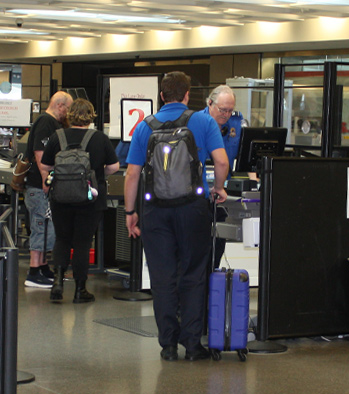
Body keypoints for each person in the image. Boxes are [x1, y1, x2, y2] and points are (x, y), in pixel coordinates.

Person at [124, 71, 229, 362]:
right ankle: (193, 346)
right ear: (187, 95)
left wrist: (131, 212)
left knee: (163, 278)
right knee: (193, 275)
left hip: (155, 211)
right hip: (193, 209)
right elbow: (221, 160)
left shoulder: (144, 126)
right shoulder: (203, 121)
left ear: (161, 96)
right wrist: (218, 188)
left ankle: (168, 346)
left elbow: (132, 174)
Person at [40, 98, 119, 303]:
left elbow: (46, 165)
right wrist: (98, 173)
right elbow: (114, 166)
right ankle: (80, 290)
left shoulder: (57, 137)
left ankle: (57, 282)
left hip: (60, 198)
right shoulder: (100, 138)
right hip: (90, 198)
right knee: (83, 242)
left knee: (62, 239)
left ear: (70, 114)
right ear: (91, 116)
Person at [23, 91, 73, 288]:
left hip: (42, 184)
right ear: (60, 105)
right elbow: (40, 154)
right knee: (41, 226)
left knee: (47, 227)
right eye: (67, 109)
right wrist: (47, 180)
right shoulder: (46, 122)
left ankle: (43, 266)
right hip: (38, 185)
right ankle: (34, 271)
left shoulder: (50, 123)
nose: (67, 114)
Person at [198, 85, 246, 268]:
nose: (226, 115)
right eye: (222, 110)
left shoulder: (236, 125)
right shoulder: (197, 122)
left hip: (222, 193)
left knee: (217, 246)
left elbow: (242, 155)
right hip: (200, 193)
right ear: (209, 103)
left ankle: (212, 286)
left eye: (230, 110)